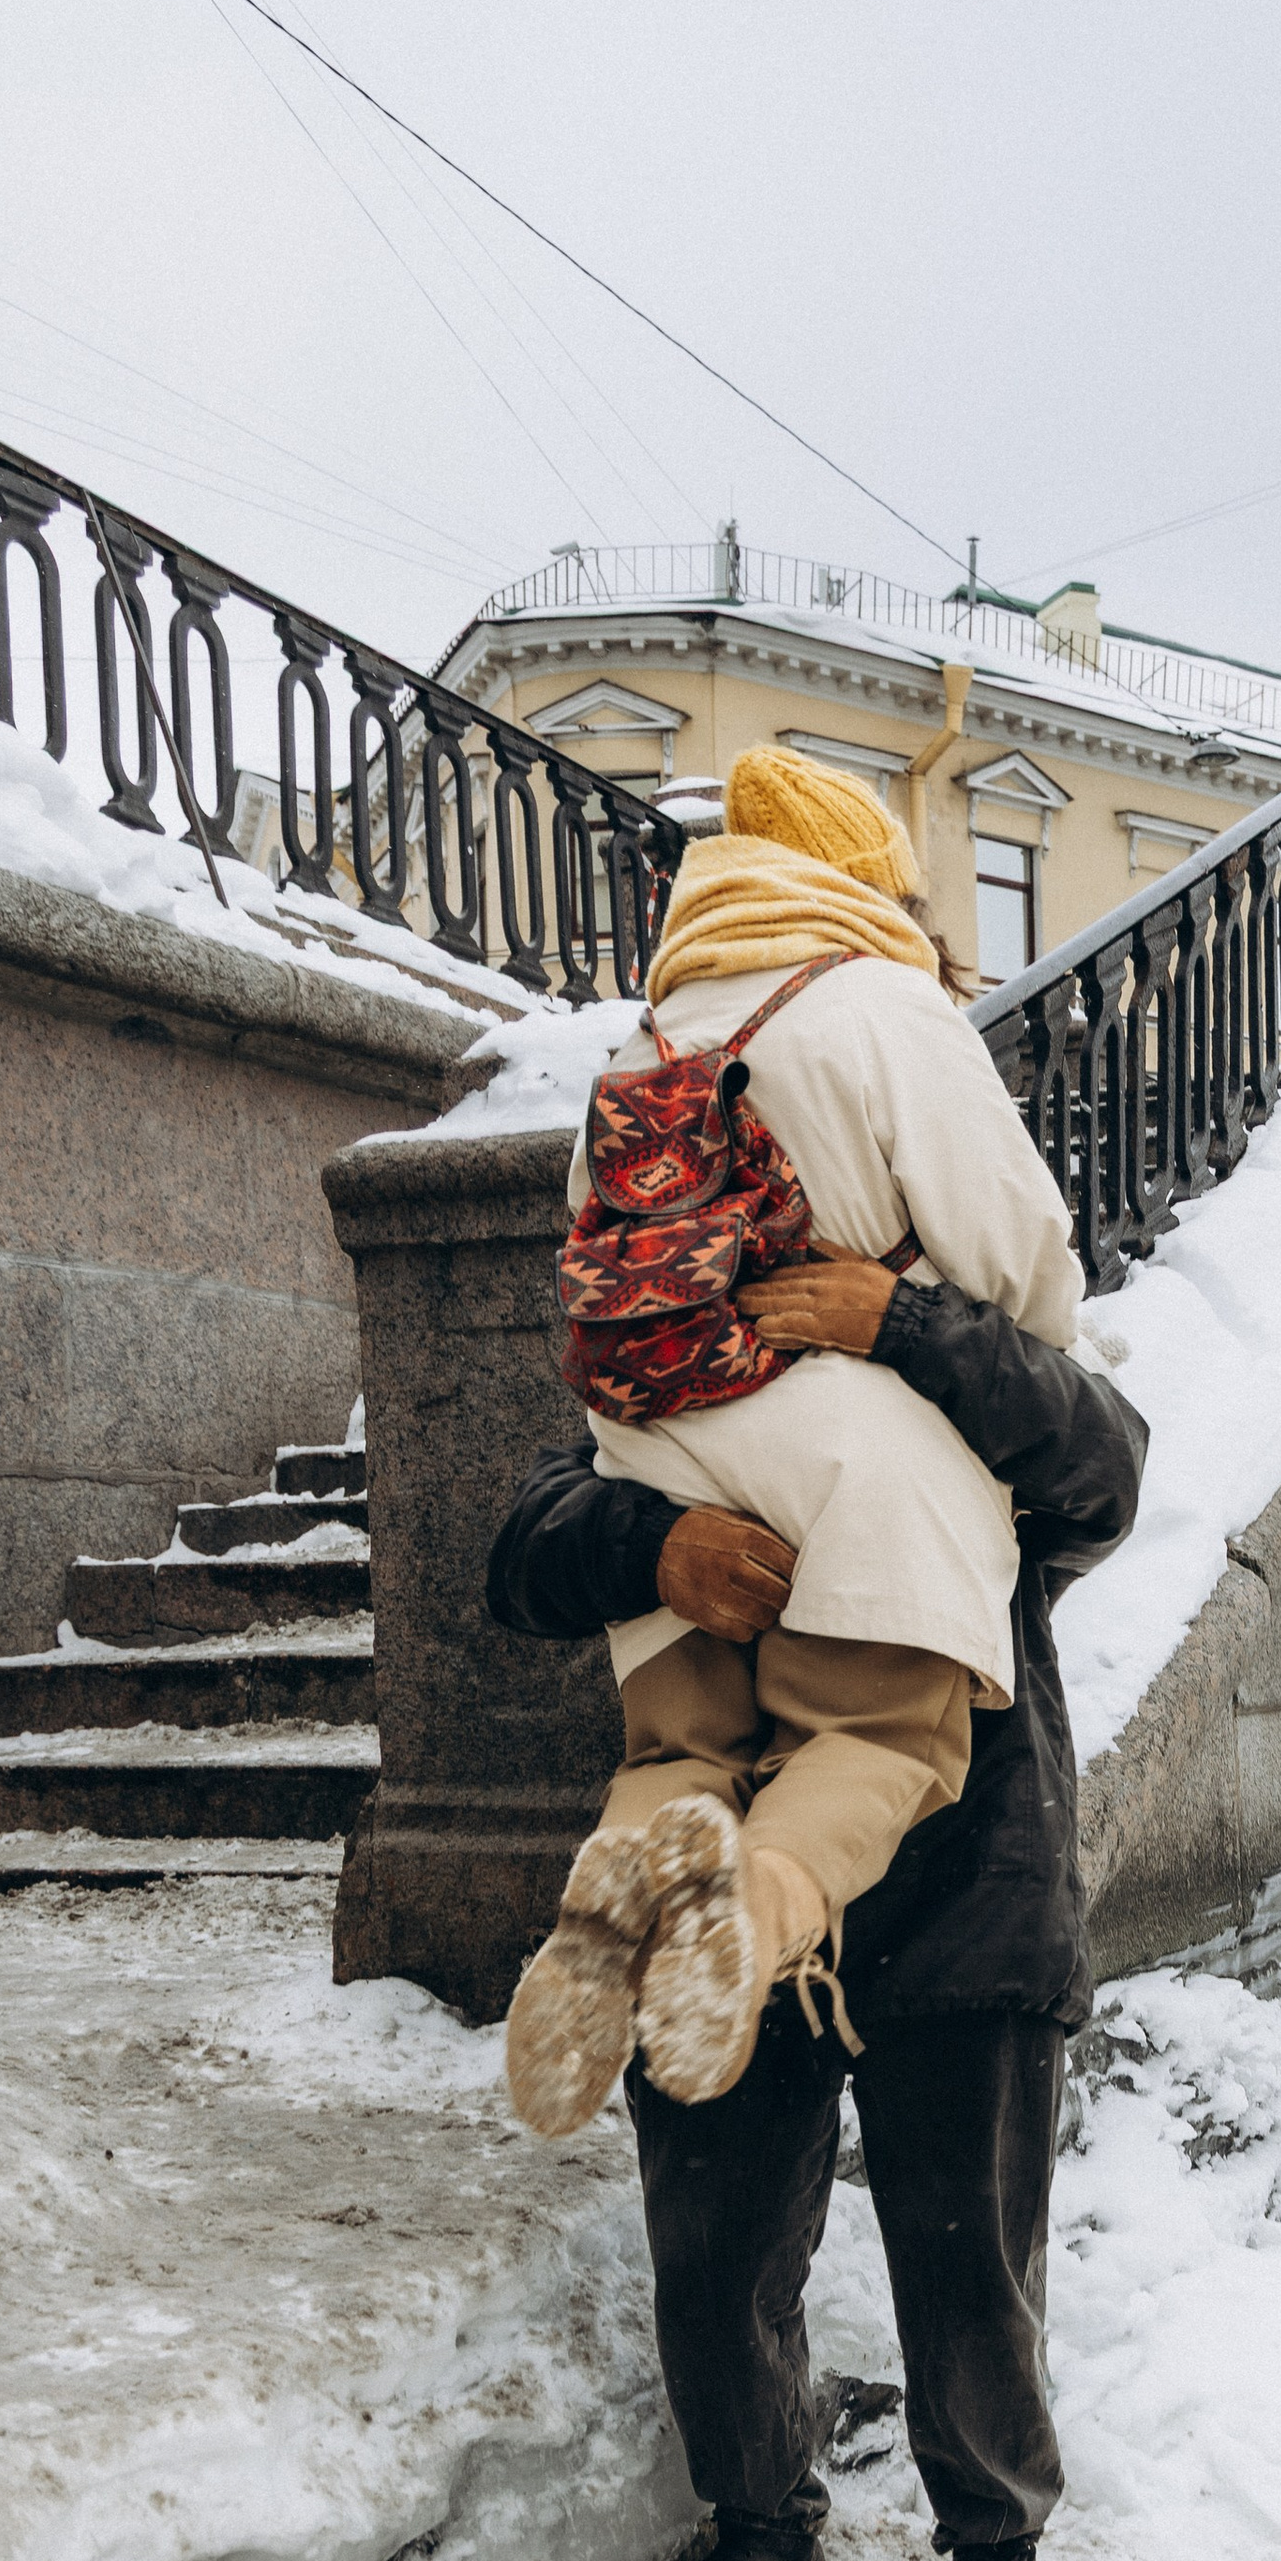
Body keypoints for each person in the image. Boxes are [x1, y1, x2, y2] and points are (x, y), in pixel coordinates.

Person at [487, 1252, 1146, 2561]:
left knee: (973, 2264)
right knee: (714, 2248)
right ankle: (764, 2531)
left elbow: (1105, 1469)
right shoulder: (685, 1376)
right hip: (714, 1877)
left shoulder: (954, 1344)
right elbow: (522, 1539)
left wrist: (899, 1322)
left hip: (965, 1883)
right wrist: (655, 1551)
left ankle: (997, 2558)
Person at [502, 750, 1084, 2141]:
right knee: (877, 1737)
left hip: (656, 1449)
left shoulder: (640, 1047)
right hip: (855, 1437)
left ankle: (612, 1898)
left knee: (675, 1751)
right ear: (864, 879)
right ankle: (750, 1927)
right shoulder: (882, 1005)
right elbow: (1020, 1261)